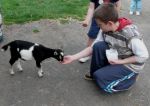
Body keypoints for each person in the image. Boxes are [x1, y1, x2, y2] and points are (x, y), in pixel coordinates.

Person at [62, 3, 149, 93]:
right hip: (118, 56)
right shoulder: (105, 29)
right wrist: (73, 57)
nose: (99, 27)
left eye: (100, 25)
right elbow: (92, 48)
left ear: (110, 23)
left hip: (130, 65)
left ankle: (129, 80)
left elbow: (143, 56)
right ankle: (100, 73)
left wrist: (120, 62)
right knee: (98, 46)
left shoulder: (130, 35)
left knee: (102, 81)